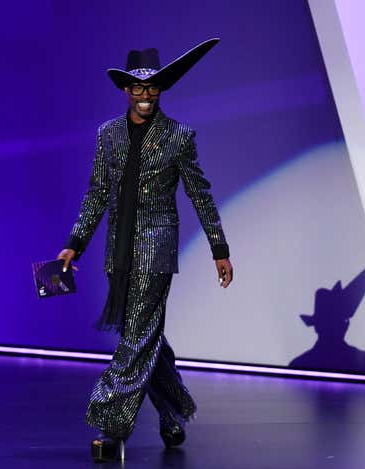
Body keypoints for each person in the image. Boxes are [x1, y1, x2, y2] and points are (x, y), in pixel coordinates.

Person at [56, 38, 233, 462]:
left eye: (152, 87)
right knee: (145, 334)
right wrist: (73, 245)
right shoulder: (108, 135)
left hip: (156, 248)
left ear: (161, 89)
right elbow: (97, 195)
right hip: (118, 252)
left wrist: (219, 247)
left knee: (136, 335)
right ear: (126, 91)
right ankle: (173, 412)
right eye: (138, 88)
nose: (145, 94)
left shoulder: (178, 137)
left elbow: (200, 194)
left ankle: (112, 425)